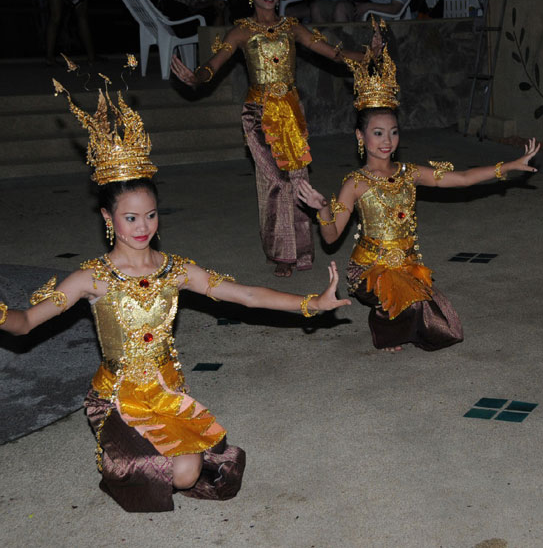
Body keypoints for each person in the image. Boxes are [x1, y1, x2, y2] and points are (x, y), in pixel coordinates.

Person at [0, 74, 352, 512]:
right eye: (130, 218)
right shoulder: (93, 278)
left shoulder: (176, 270)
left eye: (150, 215)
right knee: (158, 475)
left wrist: (312, 304)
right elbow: (27, 322)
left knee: (187, 473)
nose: (143, 227)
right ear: (109, 219)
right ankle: (116, 456)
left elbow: (245, 295)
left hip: (165, 391)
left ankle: (145, 452)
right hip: (116, 396)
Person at [296, 35, 540, 351]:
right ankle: (383, 322)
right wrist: (322, 210)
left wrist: (507, 167)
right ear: (361, 136)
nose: (387, 141)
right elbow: (330, 238)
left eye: (394, 132)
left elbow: (463, 179)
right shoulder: (356, 183)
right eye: (378, 133)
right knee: (409, 306)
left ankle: (398, 313)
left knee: (447, 327)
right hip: (370, 270)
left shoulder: (408, 173)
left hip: (408, 265)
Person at [171, 0, 379, 278]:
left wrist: (366, 56)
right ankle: (281, 252)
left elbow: (331, 52)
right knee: (277, 182)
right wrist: (198, 77)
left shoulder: (291, 27)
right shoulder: (241, 30)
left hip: (291, 112)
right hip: (257, 115)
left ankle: (302, 250)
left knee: (298, 181)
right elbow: (214, 63)